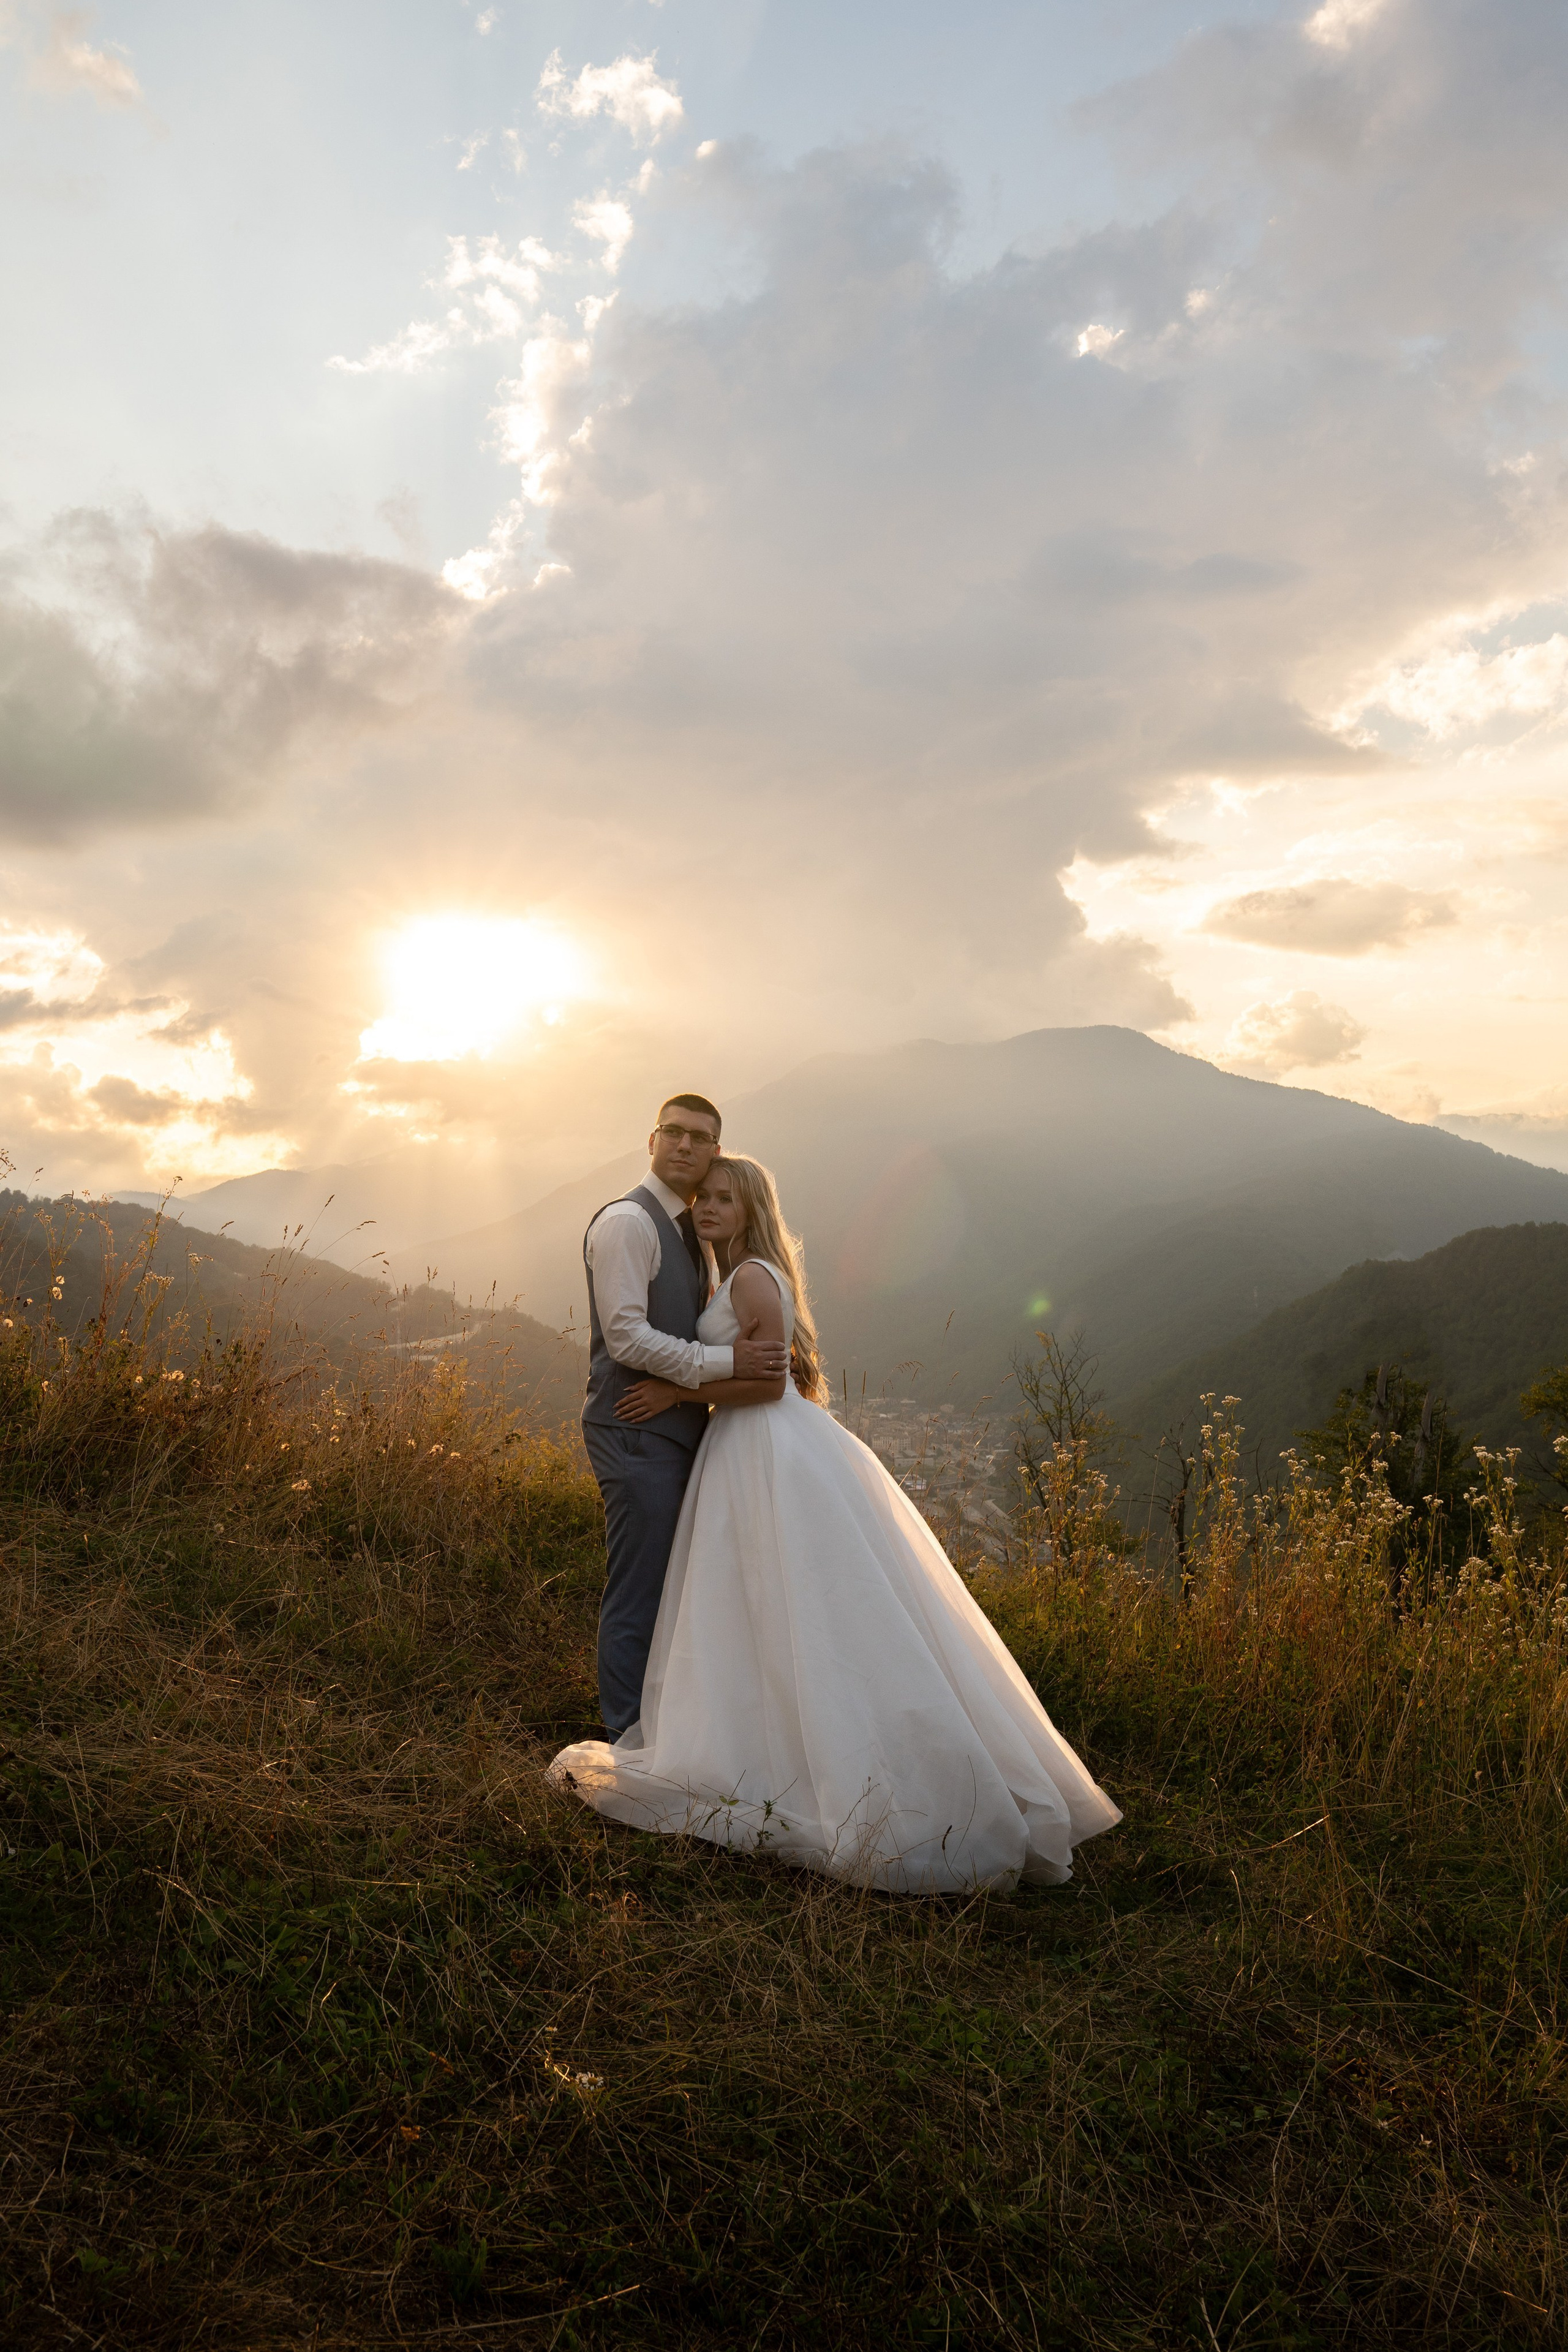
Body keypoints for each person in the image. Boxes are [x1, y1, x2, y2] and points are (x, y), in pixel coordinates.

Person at [553, 1152, 1120, 1894]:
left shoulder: (752, 1274)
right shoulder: (740, 1273)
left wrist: (670, 1393)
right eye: (703, 1198)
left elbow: (764, 1383)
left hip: (762, 1447)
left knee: (791, 1597)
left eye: (724, 1198)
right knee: (766, 1599)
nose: (708, 1209)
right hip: (754, 1449)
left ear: (752, 1207)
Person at [580, 1096, 791, 1739]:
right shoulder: (629, 1223)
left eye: (699, 1137)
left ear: (714, 1153)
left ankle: (675, 1727)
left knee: (675, 1591)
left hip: (679, 1432)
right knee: (641, 1591)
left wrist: (693, 1395)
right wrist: (724, 1363)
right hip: (634, 1426)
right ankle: (627, 1738)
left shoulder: (694, 1236)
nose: (683, 1145)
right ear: (651, 1140)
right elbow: (626, 1339)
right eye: (672, 1132)